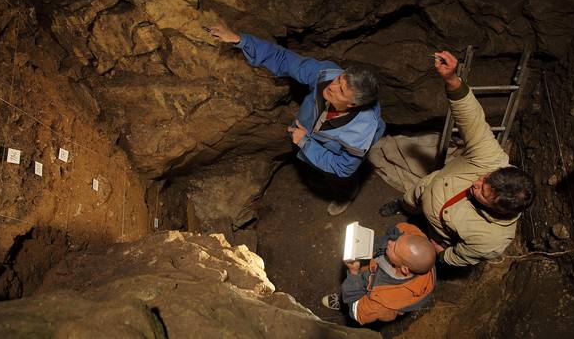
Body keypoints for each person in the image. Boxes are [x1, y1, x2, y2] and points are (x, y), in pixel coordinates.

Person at [209, 24, 386, 215]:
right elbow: (285, 59)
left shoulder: (360, 133)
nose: (332, 86)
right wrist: (240, 40)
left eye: (341, 90)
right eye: (339, 80)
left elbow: (343, 167)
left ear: (352, 105)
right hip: (311, 132)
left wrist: (305, 142)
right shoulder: (326, 76)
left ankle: (345, 194)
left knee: (338, 177)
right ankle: (317, 170)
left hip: (334, 147)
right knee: (313, 165)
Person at [380, 51, 535, 267]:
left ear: (497, 210)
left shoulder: (491, 240)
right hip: (427, 188)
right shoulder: (491, 159)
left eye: (483, 191)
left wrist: (441, 256)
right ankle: (403, 205)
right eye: (485, 178)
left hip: (438, 232)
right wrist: (452, 80)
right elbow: (473, 120)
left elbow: (462, 256)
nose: (477, 183)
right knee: (410, 198)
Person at [322, 222, 436, 324]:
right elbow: (401, 228)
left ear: (405, 269)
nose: (390, 242)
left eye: (395, 248)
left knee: (350, 300)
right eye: (398, 240)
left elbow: (356, 312)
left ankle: (343, 304)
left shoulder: (384, 304)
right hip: (372, 270)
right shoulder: (419, 245)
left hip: (367, 295)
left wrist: (353, 272)